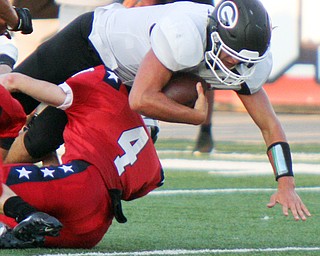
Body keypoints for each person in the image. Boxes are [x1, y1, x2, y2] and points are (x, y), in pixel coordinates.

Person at [2, 0, 311, 221]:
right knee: (10, 104)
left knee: (40, 139)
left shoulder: (245, 63)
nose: (235, 66)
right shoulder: (185, 32)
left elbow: (269, 125)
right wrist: (195, 117)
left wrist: (287, 184)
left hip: (122, 79)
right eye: (230, 56)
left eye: (243, 60)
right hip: (91, 43)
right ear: (216, 34)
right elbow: (140, 99)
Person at [0, 65, 164, 248]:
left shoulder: (102, 82)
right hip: (92, 229)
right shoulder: (144, 150)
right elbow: (62, 188)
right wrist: (48, 152)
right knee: (21, 215)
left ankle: (15, 219)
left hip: (81, 183)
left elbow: (12, 80)